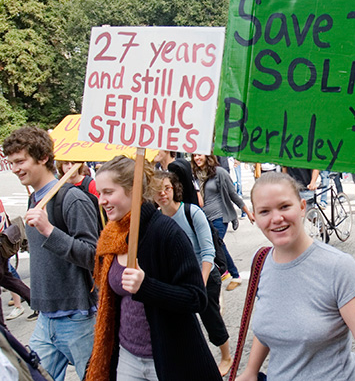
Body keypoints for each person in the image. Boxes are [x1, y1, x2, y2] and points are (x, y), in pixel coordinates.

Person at [236, 172, 355, 380]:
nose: (276, 218)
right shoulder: (261, 262)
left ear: (302, 207)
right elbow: (272, 325)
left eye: (284, 207)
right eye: (265, 211)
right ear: (254, 217)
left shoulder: (337, 267)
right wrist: (250, 371)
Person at [87, 155, 221, 381]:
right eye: (100, 193)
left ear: (133, 189)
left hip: (168, 358)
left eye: (108, 192)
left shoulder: (166, 232)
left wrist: (146, 286)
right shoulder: (112, 234)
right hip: (127, 356)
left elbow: (196, 297)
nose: (101, 200)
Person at [3, 127, 99, 381]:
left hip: (79, 318)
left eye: (20, 161)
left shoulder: (72, 198)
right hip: (46, 319)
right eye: (11, 162)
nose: (14, 168)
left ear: (43, 157)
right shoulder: (34, 199)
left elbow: (93, 256)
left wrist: (49, 230)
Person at [152, 171, 232, 376]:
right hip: (178, 280)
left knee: (210, 318)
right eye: (157, 190)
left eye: (167, 188)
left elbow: (208, 252)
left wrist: (201, 283)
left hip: (204, 275)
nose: (162, 194)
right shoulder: (156, 219)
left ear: (175, 189)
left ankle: (226, 356)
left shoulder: (192, 212)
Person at [192, 154, 254, 291]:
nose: (197, 158)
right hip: (204, 218)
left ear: (208, 155)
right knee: (218, 245)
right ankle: (230, 273)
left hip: (220, 216)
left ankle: (228, 273)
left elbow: (233, 194)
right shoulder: (195, 175)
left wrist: (248, 212)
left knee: (215, 244)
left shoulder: (219, 172)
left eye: (199, 154)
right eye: (194, 155)